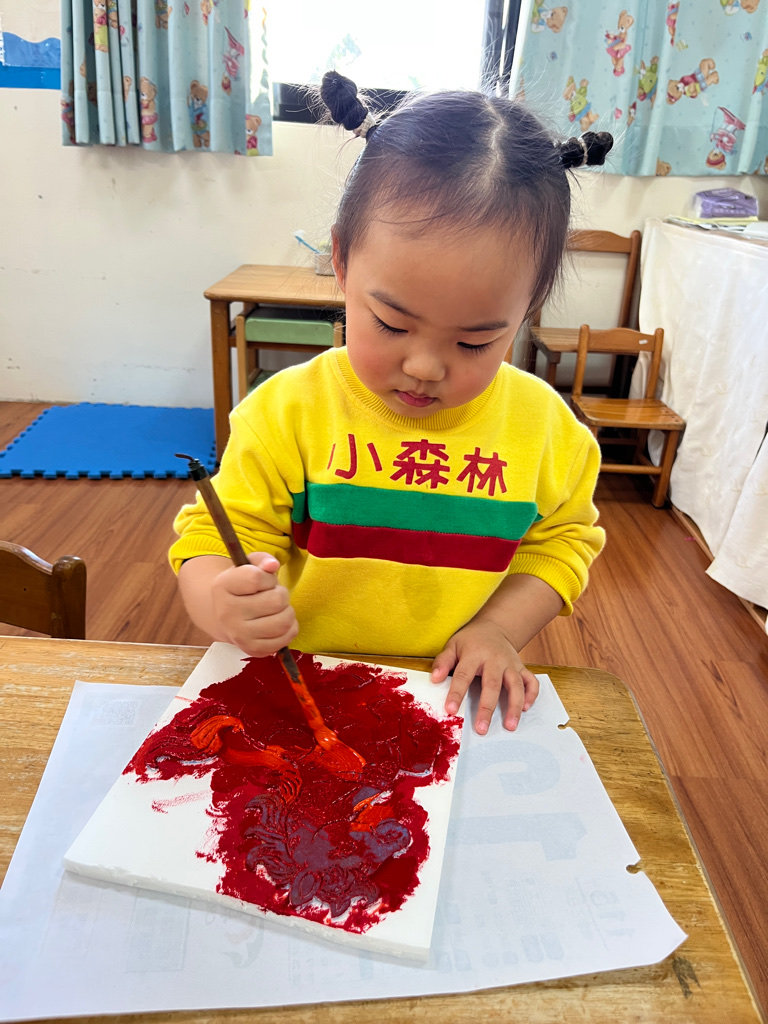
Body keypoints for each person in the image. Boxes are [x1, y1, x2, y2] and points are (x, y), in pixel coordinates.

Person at [171, 72, 610, 736]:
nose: (425, 367)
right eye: (393, 324)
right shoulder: (287, 413)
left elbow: (562, 544)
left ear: (529, 305)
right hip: (302, 694)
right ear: (342, 262)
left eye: (475, 340)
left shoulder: (548, 432)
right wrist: (219, 600)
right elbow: (214, 538)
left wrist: (498, 629)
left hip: (446, 703)